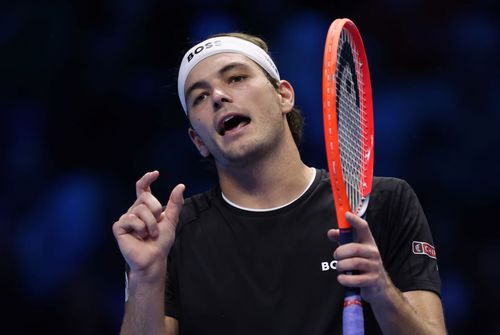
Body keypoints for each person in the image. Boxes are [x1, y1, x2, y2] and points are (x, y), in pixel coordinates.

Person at [112, 32, 446, 334]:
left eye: (237, 77)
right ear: (197, 140)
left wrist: (381, 290)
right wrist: (145, 276)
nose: (217, 96)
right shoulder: (171, 237)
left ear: (283, 95)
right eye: (198, 97)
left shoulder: (383, 202)